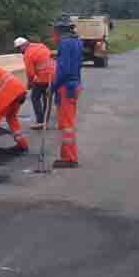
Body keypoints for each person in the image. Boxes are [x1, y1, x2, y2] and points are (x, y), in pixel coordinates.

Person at [49, 16, 84, 168]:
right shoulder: (77, 42)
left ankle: (70, 158)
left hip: (67, 87)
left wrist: (53, 87)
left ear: (60, 31)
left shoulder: (65, 43)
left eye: (55, 31)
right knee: (66, 124)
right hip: (74, 85)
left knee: (67, 125)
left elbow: (64, 69)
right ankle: (66, 156)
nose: (53, 34)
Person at [14, 37, 56, 130]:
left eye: (19, 48)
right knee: (47, 100)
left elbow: (31, 74)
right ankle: (45, 122)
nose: (19, 51)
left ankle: (40, 122)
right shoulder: (41, 46)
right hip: (53, 76)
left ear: (24, 45)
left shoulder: (28, 55)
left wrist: (29, 84)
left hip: (42, 78)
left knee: (35, 98)